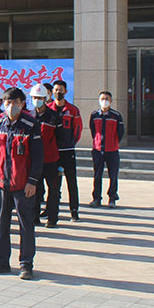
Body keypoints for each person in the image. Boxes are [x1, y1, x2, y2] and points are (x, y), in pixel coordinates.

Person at [0, 87, 43, 280]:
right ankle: (0, 261)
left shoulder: (30, 125)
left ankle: (26, 264)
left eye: (15, 102)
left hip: (23, 185)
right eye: (8, 103)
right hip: (2, 183)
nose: (11, 106)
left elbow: (38, 157)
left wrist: (32, 182)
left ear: (22, 103)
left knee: (26, 225)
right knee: (2, 224)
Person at [48, 79, 82, 222]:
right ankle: (51, 211)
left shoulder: (72, 110)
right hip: (53, 152)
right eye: (56, 90)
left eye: (61, 90)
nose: (58, 92)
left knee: (71, 181)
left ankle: (74, 211)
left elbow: (78, 129)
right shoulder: (48, 109)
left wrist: (71, 143)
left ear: (66, 91)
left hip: (68, 151)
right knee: (54, 183)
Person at [30, 83, 62, 228]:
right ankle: (34, 217)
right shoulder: (29, 116)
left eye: (40, 98)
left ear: (45, 98)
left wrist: (61, 163)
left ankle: (52, 219)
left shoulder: (54, 116)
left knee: (53, 191)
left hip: (51, 160)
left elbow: (61, 139)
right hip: (34, 161)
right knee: (34, 190)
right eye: (34, 98)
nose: (37, 100)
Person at [90, 91, 124, 208]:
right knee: (97, 175)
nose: (104, 101)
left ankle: (112, 198)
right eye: (102, 99)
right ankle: (96, 198)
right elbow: (93, 131)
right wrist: (97, 142)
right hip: (98, 150)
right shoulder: (94, 115)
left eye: (107, 99)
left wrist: (113, 142)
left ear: (111, 101)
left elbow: (120, 132)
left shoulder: (116, 116)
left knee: (113, 175)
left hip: (112, 150)